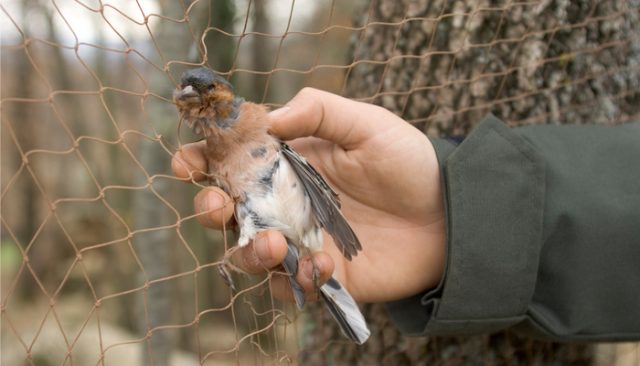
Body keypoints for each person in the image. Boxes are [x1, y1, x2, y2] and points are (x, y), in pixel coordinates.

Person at [172, 88, 640, 341]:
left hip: (309, 215)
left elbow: (297, 166)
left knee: (289, 245)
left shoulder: (262, 126)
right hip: (293, 225)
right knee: (263, 243)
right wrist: (448, 205)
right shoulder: (218, 149)